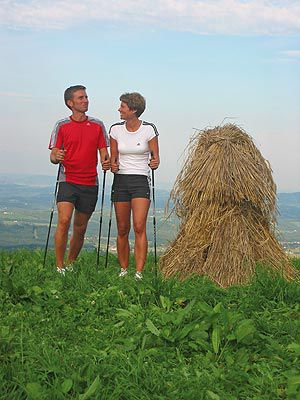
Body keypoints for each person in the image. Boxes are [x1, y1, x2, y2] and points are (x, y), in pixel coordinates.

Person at [49, 85, 110, 274]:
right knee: (64, 220)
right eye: (81, 98)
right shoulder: (61, 125)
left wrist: (106, 162)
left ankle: (71, 263)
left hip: (90, 182)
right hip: (67, 180)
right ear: (70, 103)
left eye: (86, 97)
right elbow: (53, 155)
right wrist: (56, 157)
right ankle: (59, 267)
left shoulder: (98, 125)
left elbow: (103, 152)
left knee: (80, 227)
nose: (86, 100)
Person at [109, 92, 159, 280]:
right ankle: (123, 269)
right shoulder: (115, 129)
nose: (119, 109)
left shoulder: (148, 129)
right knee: (122, 228)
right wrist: (112, 165)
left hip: (140, 180)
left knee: (139, 226)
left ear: (133, 110)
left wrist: (155, 163)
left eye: (122, 106)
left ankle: (139, 272)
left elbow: (156, 158)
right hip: (120, 180)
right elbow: (114, 158)